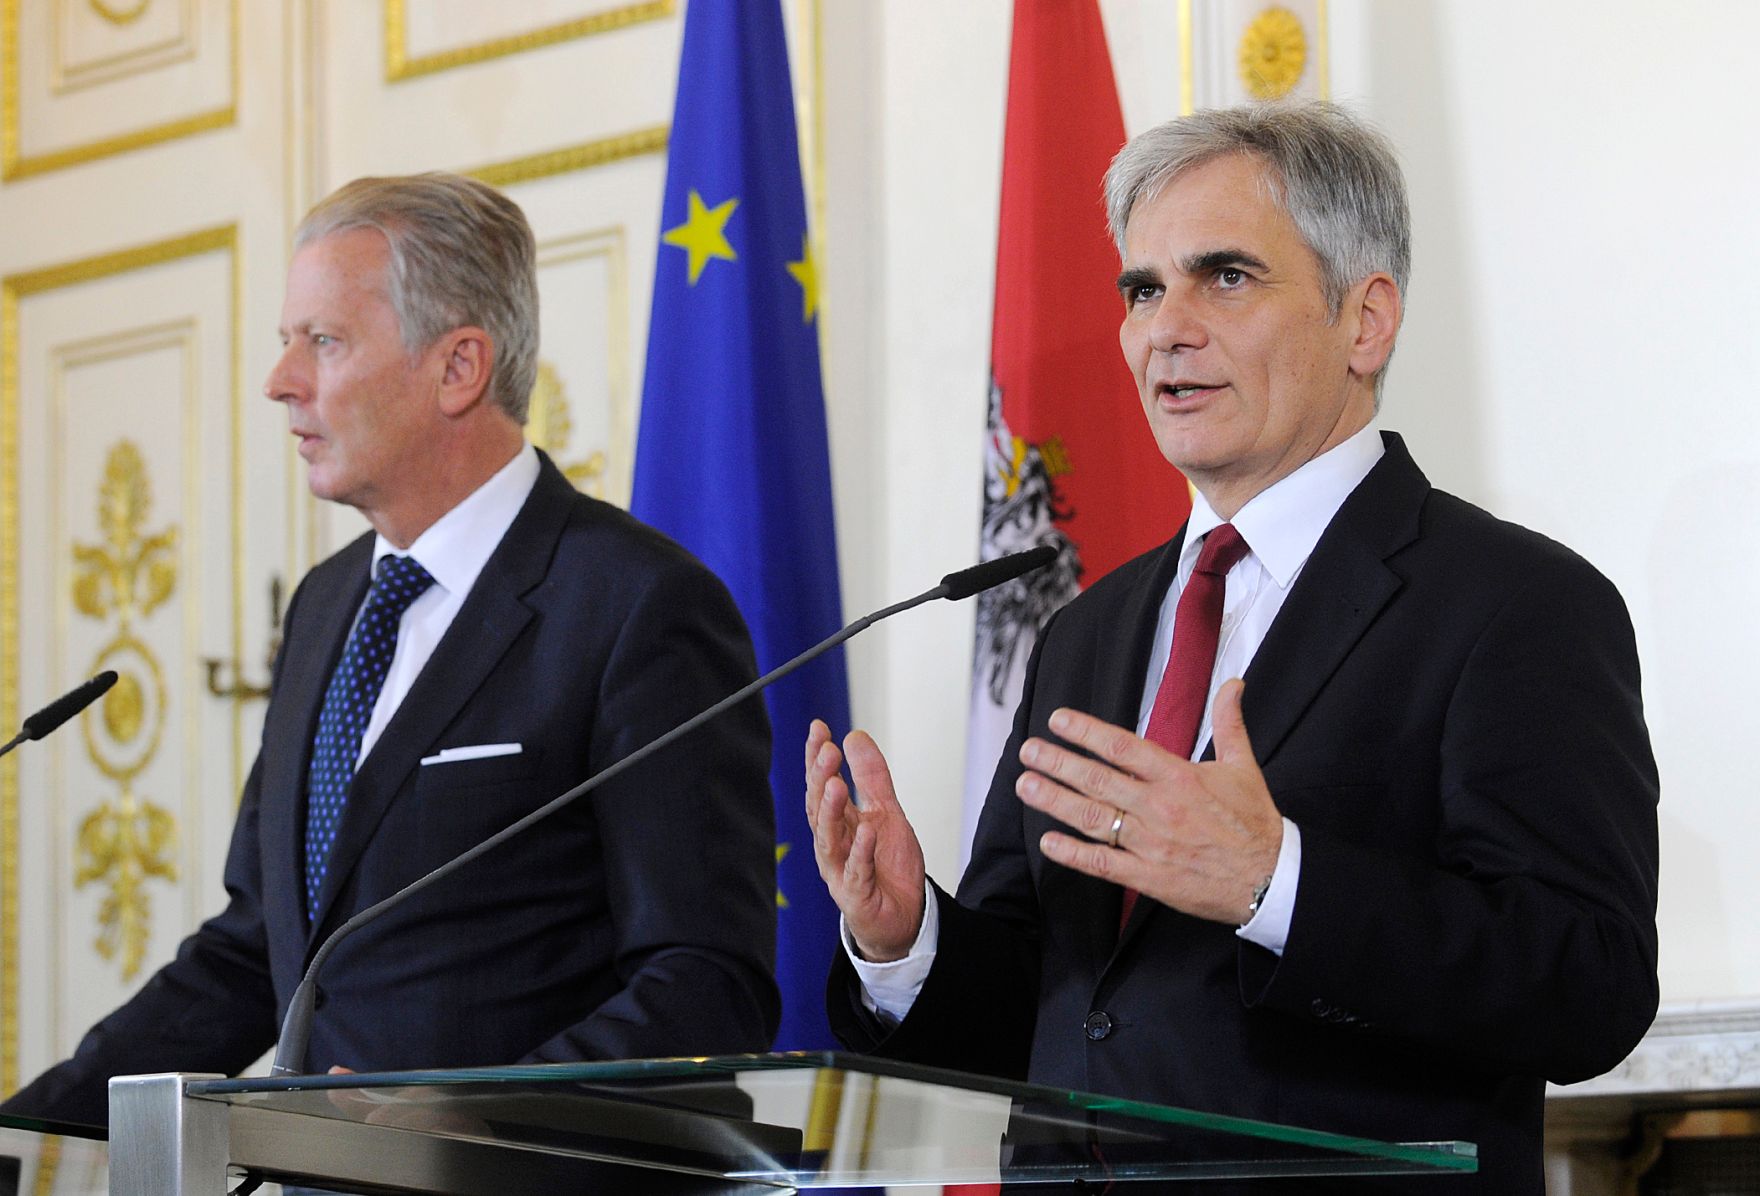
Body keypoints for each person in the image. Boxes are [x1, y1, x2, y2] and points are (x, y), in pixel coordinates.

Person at [806, 102, 1658, 1193]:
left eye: (1225, 276)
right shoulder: (1086, 630)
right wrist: (905, 936)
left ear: (1365, 320)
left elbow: (1585, 985)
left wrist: (1277, 880)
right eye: (1142, 288)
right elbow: (1052, 1010)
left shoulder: (1513, 603)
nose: (1165, 326)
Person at [6, 173, 780, 1128]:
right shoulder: (328, 605)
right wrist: (22, 1136)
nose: (280, 379)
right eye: (286, 341)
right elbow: (258, 953)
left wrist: (458, 1120)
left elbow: (704, 980)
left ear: (458, 367)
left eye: (323, 341)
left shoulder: (638, 607)